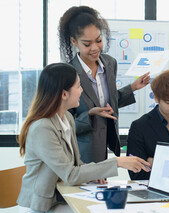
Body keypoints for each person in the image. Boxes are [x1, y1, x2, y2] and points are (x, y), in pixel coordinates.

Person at [17, 63, 150, 213]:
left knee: (110, 208)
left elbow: (77, 164)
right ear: (64, 94)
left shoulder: (67, 119)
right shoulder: (42, 128)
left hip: (56, 205)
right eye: (78, 86)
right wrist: (117, 162)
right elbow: (71, 174)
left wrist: (94, 175)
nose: (81, 91)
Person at [58, 6, 150, 163]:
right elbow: (63, 122)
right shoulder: (67, 72)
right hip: (80, 150)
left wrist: (133, 87)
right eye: (87, 44)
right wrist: (90, 114)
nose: (95, 48)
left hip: (105, 145)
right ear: (74, 42)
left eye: (99, 40)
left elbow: (109, 103)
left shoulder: (109, 63)